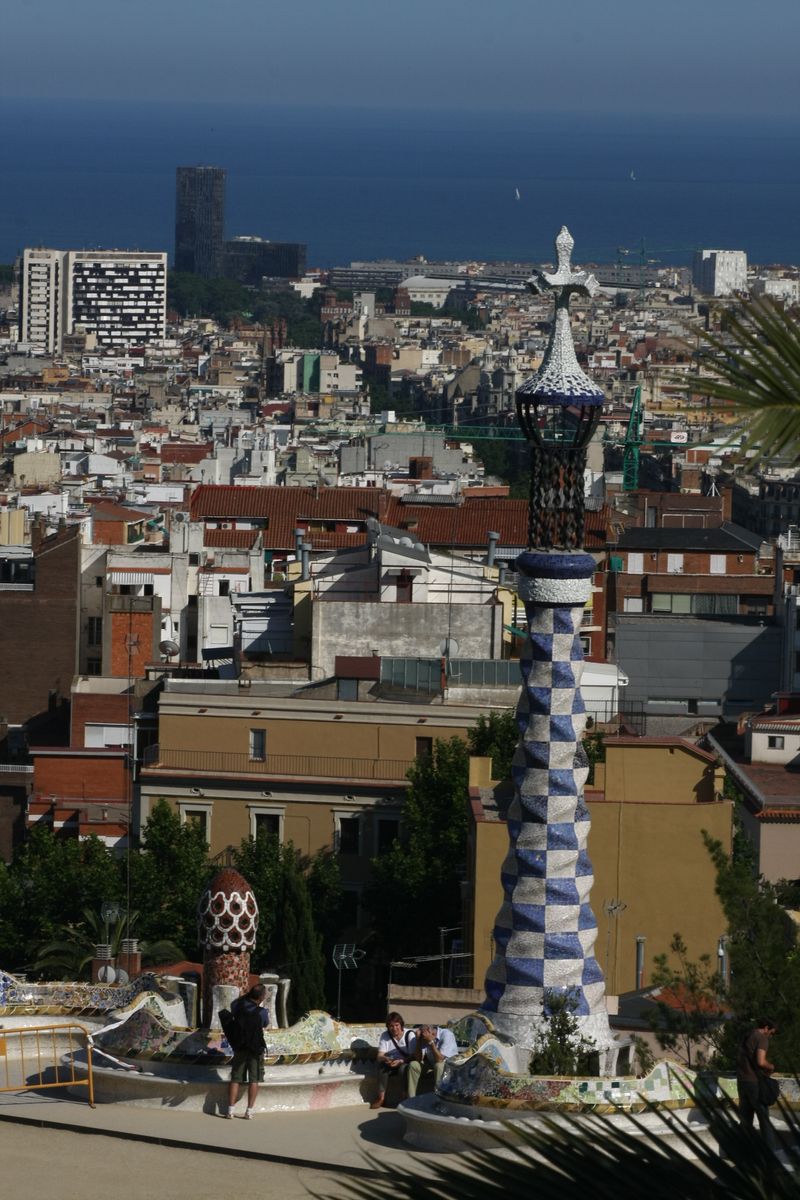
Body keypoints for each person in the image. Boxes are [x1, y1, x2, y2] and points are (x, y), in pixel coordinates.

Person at [226, 983, 269, 1119]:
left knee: (235, 1079)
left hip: (240, 1047)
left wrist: (245, 996)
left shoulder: (237, 1007)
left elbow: (233, 1004)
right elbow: (265, 1024)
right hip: (255, 1049)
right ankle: (249, 1111)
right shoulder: (262, 1012)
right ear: (261, 997)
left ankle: (230, 1111)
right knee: (254, 1080)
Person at [736, 1017, 779, 1149]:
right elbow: (761, 1062)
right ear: (766, 1028)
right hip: (754, 1083)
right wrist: (771, 1067)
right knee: (764, 1122)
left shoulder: (747, 1035)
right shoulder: (761, 1038)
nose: (771, 1036)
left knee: (745, 1121)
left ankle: (745, 1154)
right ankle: (770, 1156)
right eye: (771, 1032)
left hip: (742, 1081)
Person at [371, 1012, 415, 1109]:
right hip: (391, 1062)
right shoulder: (385, 1035)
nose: (394, 1028)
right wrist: (385, 1058)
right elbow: (379, 1055)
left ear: (401, 1025)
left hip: (405, 1062)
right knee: (382, 1067)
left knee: (403, 1069)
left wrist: (401, 1061)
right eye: (391, 1026)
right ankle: (381, 1098)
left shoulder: (409, 1035)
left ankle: (403, 1098)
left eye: (396, 1025)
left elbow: (413, 1056)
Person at [407, 1023, 458, 1098]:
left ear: (431, 1032)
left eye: (423, 1037)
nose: (423, 1039)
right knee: (413, 1064)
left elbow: (440, 1059)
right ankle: (411, 1099)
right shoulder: (422, 1037)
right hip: (432, 1063)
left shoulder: (447, 1035)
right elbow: (418, 1059)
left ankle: (438, 1098)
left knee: (438, 1066)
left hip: (450, 1066)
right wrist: (418, 1041)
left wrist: (431, 1042)